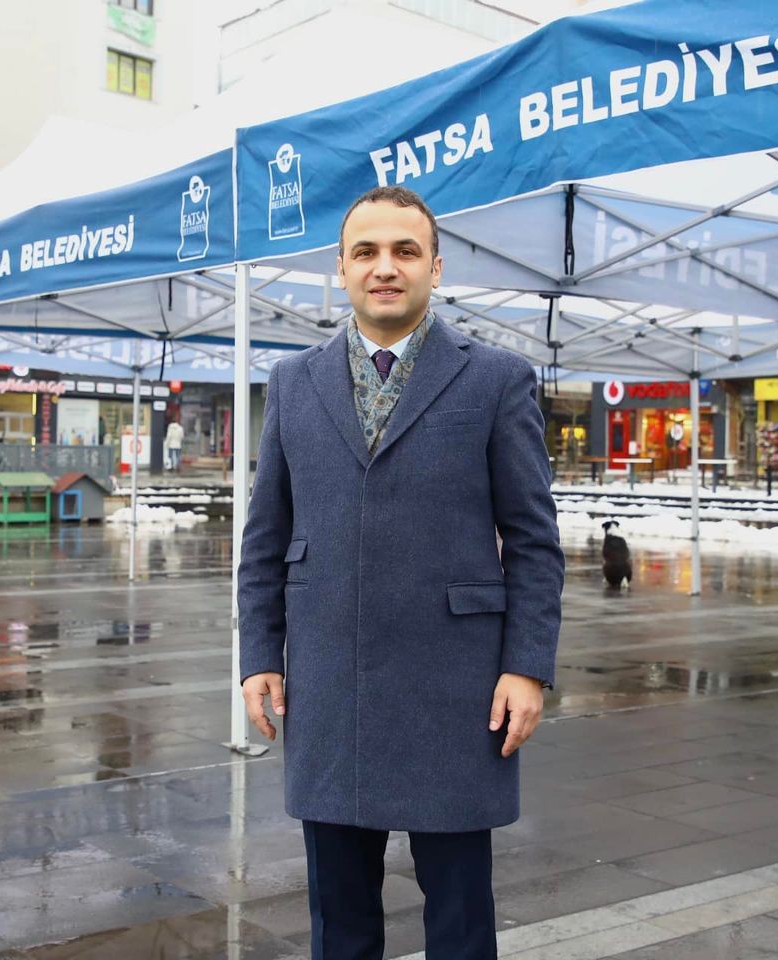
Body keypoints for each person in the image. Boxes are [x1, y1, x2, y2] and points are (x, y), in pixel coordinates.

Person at [237, 186, 564, 960]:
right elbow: (266, 534)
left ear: (435, 268)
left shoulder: (495, 379)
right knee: (340, 922)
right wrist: (258, 654)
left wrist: (527, 666)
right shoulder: (292, 381)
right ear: (341, 269)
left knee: (459, 920)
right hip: (329, 682)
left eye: (405, 251)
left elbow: (533, 539)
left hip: (455, 688)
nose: (385, 267)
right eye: (367, 252)